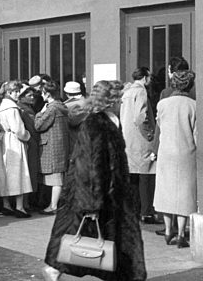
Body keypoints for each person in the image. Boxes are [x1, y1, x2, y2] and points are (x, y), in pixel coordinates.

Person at [42, 80, 146, 281]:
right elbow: (90, 163)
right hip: (96, 192)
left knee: (112, 239)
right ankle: (54, 268)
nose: (122, 102)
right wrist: (91, 201)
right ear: (110, 100)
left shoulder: (109, 119)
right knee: (79, 235)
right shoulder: (95, 123)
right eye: (119, 98)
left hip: (111, 191)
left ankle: (123, 275)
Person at [154, 70, 197, 248]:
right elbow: (196, 133)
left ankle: (167, 230)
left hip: (166, 152)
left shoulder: (162, 104)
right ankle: (181, 234)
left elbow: (160, 127)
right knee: (185, 193)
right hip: (186, 153)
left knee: (166, 191)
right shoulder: (194, 105)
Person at [120, 67, 159, 224]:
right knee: (146, 175)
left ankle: (133, 210)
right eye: (149, 76)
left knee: (133, 176)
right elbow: (140, 117)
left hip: (128, 138)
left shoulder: (127, 92)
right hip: (140, 138)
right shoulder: (141, 91)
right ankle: (146, 211)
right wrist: (150, 133)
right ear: (145, 77)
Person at [0, 80, 32, 218]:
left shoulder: (0, 106)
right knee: (19, 171)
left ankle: (6, 204)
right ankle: (19, 206)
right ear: (9, 92)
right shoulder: (12, 108)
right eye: (15, 91)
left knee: (5, 172)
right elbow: (19, 129)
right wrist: (27, 136)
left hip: (4, 138)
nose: (18, 94)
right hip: (14, 141)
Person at [35, 81, 69, 215]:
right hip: (60, 145)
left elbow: (39, 125)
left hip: (51, 146)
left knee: (55, 178)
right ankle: (54, 204)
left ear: (47, 94)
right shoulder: (62, 106)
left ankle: (53, 206)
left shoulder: (51, 108)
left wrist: (39, 113)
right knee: (58, 176)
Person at [17, 84, 41, 211]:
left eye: (33, 95)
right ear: (21, 97)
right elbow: (34, 127)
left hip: (31, 142)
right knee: (28, 172)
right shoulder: (23, 110)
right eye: (29, 95)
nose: (32, 97)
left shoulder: (28, 108)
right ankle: (25, 202)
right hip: (29, 142)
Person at [63, 81, 87, 154]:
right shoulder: (85, 101)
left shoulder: (70, 105)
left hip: (74, 139)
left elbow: (71, 122)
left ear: (67, 93)